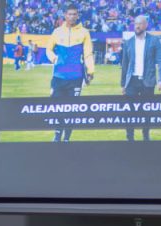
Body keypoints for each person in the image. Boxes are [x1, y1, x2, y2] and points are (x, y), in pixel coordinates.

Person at [46, 4, 95, 142]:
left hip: (75, 77)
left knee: (71, 109)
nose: (72, 16)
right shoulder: (57, 32)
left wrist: (90, 71)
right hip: (58, 76)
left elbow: (88, 54)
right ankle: (57, 134)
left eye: (74, 14)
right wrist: (54, 58)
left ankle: (66, 137)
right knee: (56, 108)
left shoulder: (84, 32)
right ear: (65, 15)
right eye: (69, 14)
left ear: (77, 15)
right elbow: (48, 49)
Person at [120, 15, 161, 141]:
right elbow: (124, 65)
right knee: (129, 111)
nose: (138, 26)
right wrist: (123, 84)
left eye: (140, 24)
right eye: (136, 24)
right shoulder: (128, 42)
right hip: (132, 82)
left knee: (147, 111)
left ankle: (146, 135)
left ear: (146, 25)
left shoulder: (154, 40)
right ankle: (130, 137)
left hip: (148, 81)